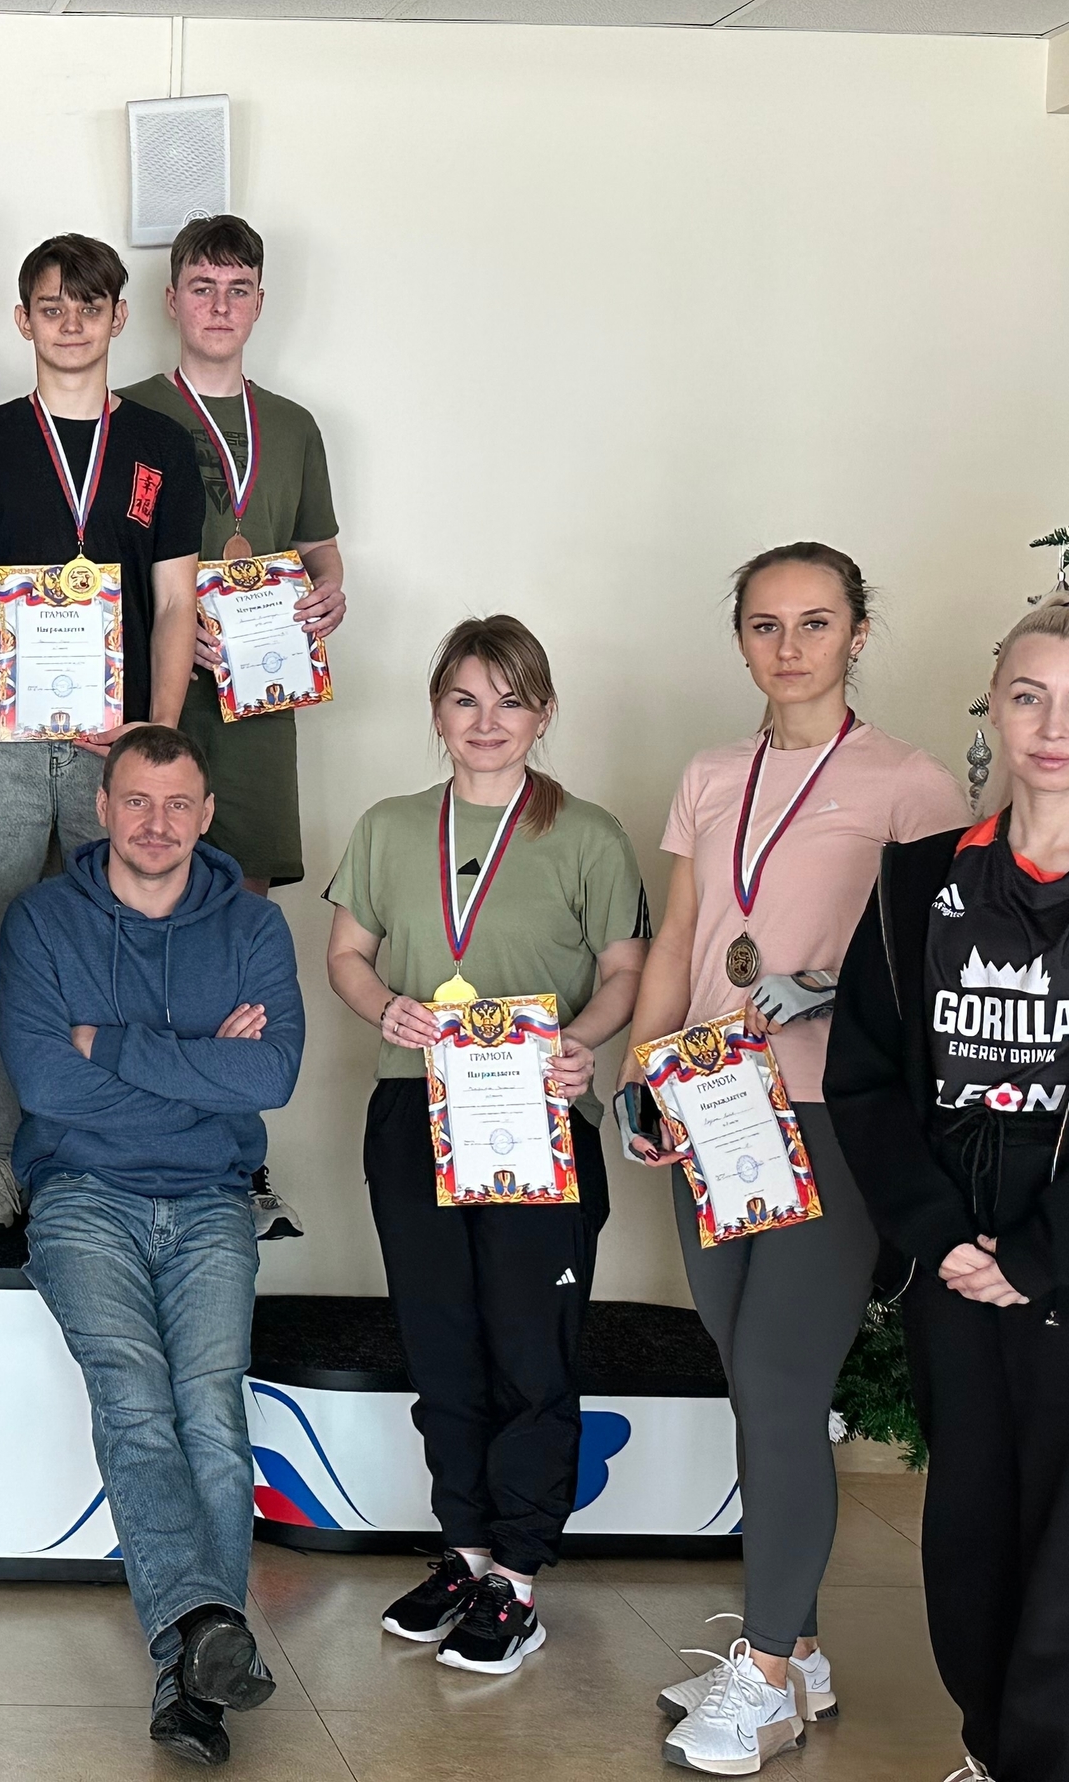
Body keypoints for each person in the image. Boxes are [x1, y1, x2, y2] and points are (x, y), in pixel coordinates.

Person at [620, 545, 964, 1773]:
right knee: (752, 1382)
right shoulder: (711, 775)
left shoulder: (911, 784)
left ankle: (763, 1675)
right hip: (713, 1105)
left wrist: (837, 989)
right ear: (741, 640)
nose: (790, 646)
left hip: (830, 1116)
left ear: (857, 634)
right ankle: (800, 1649)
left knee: (776, 1380)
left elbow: (936, 964)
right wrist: (641, 1074)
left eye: (816, 622)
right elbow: (680, 938)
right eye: (765, 625)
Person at [322, 615, 646, 1675]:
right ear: (437, 711)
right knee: (441, 1344)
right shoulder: (387, 826)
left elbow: (625, 971)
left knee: (529, 1350)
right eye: (465, 698)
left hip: (536, 1122)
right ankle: (464, 1553)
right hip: (412, 1112)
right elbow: (347, 953)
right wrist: (383, 1007)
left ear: (543, 713)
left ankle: (518, 1576)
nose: (487, 720)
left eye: (510, 700)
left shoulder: (588, 835)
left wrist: (583, 1045)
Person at [828, 591, 1069, 1782]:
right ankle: (991, 1750)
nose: (1054, 725)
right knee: (970, 1529)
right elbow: (861, 1076)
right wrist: (937, 1235)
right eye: (1028, 696)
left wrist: (1041, 1255)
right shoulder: (916, 882)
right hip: (949, 1263)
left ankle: (1056, 1760)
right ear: (991, 705)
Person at [0, 724, 303, 1768]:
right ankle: (207, 1632)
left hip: (212, 1197)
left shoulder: (253, 927)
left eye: (177, 804)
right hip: (82, 1194)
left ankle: (190, 1666)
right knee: (134, 1395)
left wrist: (113, 1046)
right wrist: (201, 1066)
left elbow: (271, 1078)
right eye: (136, 801)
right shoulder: (43, 920)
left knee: (211, 1413)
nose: (156, 823)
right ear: (102, 808)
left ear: (207, 814)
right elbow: (47, 1084)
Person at [0, 232, 204, 1228]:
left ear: (120, 317)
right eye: (51, 306)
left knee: (121, 952)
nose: (71, 322)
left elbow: (175, 604)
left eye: (90, 305)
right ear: (22, 320)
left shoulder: (161, 446)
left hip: (113, 749)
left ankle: (102, 1158)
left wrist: (154, 741)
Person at [115, 213, 345, 898]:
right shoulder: (125, 414)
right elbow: (105, 559)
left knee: (243, 899)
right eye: (202, 287)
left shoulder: (295, 426)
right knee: (141, 888)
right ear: (171, 299)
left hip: (260, 697)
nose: (220, 306)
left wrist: (328, 592)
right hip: (158, 689)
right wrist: (167, 631)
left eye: (238, 289)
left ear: (260, 303)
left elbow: (319, 547)